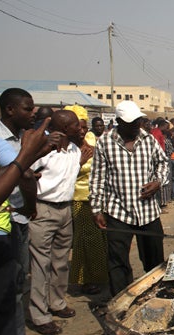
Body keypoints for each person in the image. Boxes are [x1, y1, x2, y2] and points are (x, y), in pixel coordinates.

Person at [0, 89, 53, 335]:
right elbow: (23, 175)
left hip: (12, 222)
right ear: (10, 109)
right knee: (7, 293)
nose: (33, 113)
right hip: (1, 227)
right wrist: (30, 205)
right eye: (28, 109)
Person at [90, 100, 169, 296]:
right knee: (117, 262)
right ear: (118, 121)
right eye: (130, 122)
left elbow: (163, 164)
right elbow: (97, 177)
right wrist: (97, 209)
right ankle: (121, 301)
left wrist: (158, 182)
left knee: (154, 260)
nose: (135, 126)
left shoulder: (148, 140)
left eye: (138, 121)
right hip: (118, 211)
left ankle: (155, 295)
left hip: (148, 212)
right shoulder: (105, 143)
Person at [29, 110, 82, 335]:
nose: (80, 128)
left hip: (65, 210)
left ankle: (57, 303)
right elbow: (26, 174)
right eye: (76, 125)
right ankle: (40, 315)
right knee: (41, 264)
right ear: (64, 127)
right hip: (43, 209)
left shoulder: (75, 150)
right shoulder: (43, 150)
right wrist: (30, 205)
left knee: (60, 261)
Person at [65, 105, 107, 296]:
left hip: (98, 197)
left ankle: (99, 275)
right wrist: (78, 162)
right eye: (77, 127)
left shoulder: (92, 140)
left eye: (84, 127)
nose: (81, 131)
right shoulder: (64, 147)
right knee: (86, 241)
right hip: (78, 199)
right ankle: (86, 279)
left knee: (100, 239)